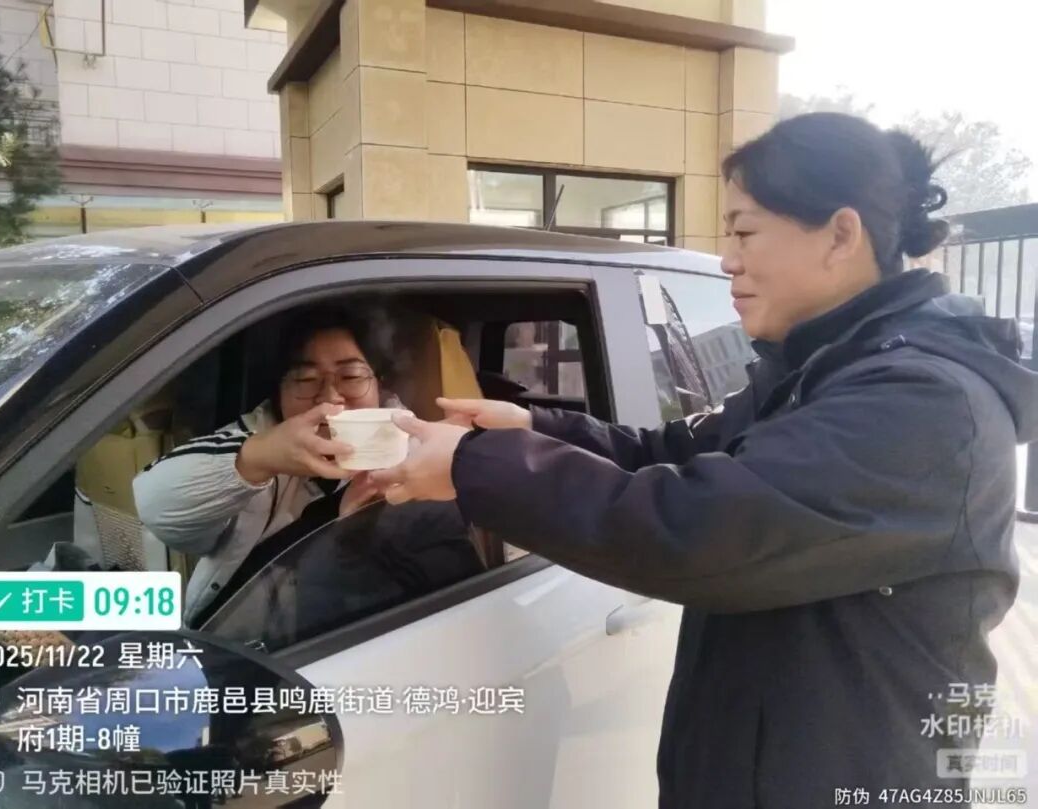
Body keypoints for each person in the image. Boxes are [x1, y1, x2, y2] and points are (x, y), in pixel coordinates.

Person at [368, 113, 1038, 807]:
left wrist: (474, 465)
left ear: (841, 235)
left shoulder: (920, 404)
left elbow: (697, 525)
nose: (727, 259)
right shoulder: (819, 372)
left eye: (744, 232)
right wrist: (532, 425)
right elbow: (669, 452)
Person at [134, 306, 406, 625]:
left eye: (351, 377)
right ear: (279, 390)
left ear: (380, 385)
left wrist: (353, 537)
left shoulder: (411, 453)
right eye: (306, 379)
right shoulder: (255, 438)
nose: (330, 399)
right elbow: (156, 508)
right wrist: (258, 458)